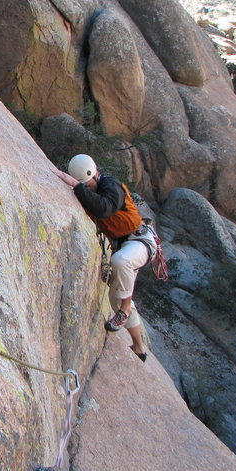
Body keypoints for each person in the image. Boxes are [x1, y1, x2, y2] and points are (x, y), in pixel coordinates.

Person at [53, 154, 156, 362]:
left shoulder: (111, 185)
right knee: (114, 298)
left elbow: (105, 207)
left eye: (87, 185)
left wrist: (76, 185)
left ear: (94, 174)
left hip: (140, 241)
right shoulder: (89, 190)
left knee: (121, 262)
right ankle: (139, 347)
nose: (87, 189)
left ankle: (125, 309)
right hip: (123, 245)